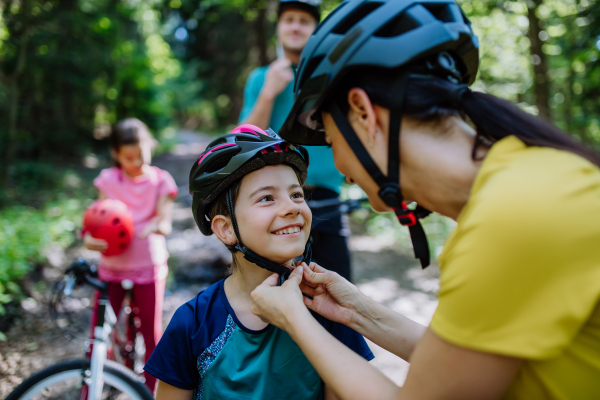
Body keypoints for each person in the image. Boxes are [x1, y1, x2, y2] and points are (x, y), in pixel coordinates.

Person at [250, 0, 600, 399]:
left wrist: (296, 320)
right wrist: (357, 312)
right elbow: (461, 363)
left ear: (364, 113)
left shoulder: (513, 219)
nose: (341, 168)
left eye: (331, 141)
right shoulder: (531, 181)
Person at [144, 125, 373, 400]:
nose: (292, 207)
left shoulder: (328, 311)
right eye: (266, 198)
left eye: (297, 194)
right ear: (226, 229)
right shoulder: (192, 324)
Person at [239, 0, 353, 281]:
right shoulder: (261, 78)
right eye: (289, 19)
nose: (295, 26)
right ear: (278, 27)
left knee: (339, 290)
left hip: (328, 198)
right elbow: (241, 141)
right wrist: (268, 92)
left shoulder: (333, 77)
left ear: (315, 31)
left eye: (304, 21)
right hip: (274, 200)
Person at [83, 118, 178, 393]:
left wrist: (157, 225)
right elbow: (96, 219)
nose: (136, 162)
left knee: (151, 332)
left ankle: (150, 392)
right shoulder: (109, 180)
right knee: (101, 331)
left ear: (150, 147)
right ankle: (95, 386)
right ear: (116, 154)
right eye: (129, 157)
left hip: (148, 267)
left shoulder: (161, 181)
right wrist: (88, 238)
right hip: (111, 267)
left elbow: (166, 221)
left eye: (141, 155)